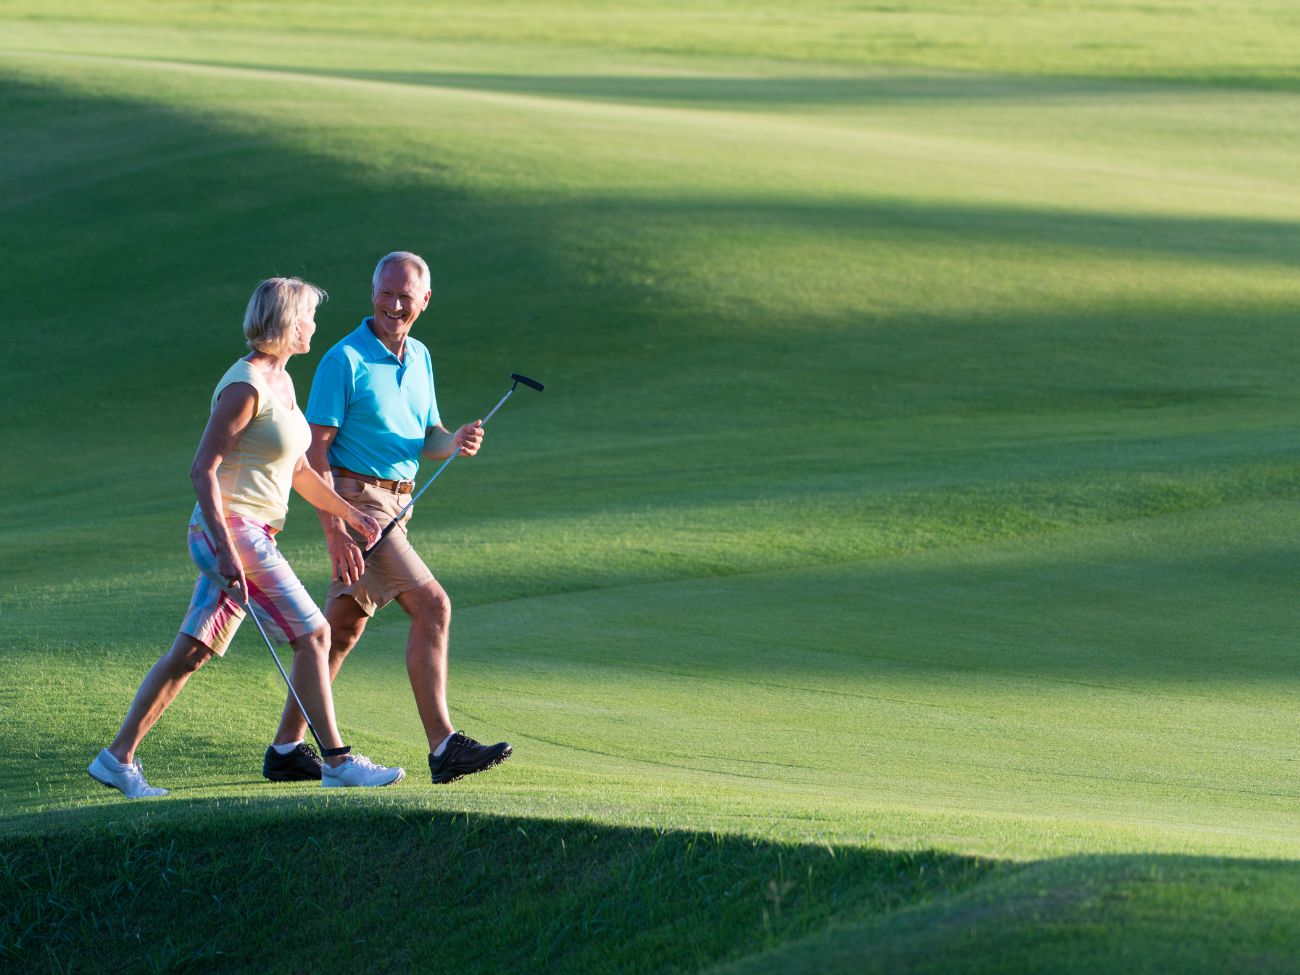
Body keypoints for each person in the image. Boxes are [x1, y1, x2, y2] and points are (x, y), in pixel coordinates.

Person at [88, 277, 406, 798]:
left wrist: (352, 514)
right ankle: (337, 761)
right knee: (316, 634)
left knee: (192, 650)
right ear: (287, 321)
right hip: (230, 530)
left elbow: (300, 470)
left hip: (251, 532)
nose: (313, 326)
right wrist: (226, 548)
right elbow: (201, 470)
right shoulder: (245, 386)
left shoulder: (282, 382)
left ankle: (116, 759)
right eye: (308, 316)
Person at [261, 251, 511, 785]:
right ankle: (444, 746)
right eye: (385, 292)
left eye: (406, 296)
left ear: (424, 301)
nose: (394, 304)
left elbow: (429, 438)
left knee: (340, 632)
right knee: (434, 607)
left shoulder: (419, 356)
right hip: (358, 504)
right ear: (372, 293)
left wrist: (456, 441)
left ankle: (286, 749)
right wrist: (336, 531)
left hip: (400, 504)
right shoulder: (343, 360)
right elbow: (315, 453)